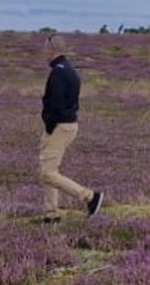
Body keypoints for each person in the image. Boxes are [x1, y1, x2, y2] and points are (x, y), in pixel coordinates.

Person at [36, 34, 101, 220]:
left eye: (45, 48)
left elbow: (55, 105)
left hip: (60, 127)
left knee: (48, 173)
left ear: (52, 49)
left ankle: (90, 197)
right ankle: (51, 213)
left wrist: (48, 122)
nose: (44, 52)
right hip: (66, 125)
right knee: (46, 168)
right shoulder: (70, 70)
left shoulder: (58, 72)